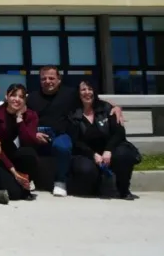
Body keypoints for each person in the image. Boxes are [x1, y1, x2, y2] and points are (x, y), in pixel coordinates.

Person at [27, 66, 124, 197]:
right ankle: (28, 177)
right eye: (43, 78)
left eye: (51, 78)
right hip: (38, 133)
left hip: (60, 134)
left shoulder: (70, 94)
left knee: (62, 147)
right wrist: (33, 133)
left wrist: (115, 107)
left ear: (59, 79)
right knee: (24, 144)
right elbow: (23, 117)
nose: (47, 81)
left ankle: (60, 181)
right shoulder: (32, 97)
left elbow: (93, 98)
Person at [69, 81, 139, 199]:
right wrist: (93, 155)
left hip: (111, 148)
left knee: (124, 155)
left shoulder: (107, 108)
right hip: (88, 152)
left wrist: (108, 150)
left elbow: (119, 132)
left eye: (90, 89)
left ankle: (124, 190)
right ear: (78, 93)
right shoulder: (73, 113)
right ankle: (98, 186)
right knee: (84, 169)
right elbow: (76, 141)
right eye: (83, 90)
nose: (87, 92)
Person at [0, 84, 40, 200]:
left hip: (11, 150)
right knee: (14, 194)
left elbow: (29, 141)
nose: (17, 99)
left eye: (21, 97)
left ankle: (26, 186)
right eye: (13, 95)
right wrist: (14, 171)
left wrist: (20, 120)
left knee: (29, 153)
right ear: (6, 96)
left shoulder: (31, 115)